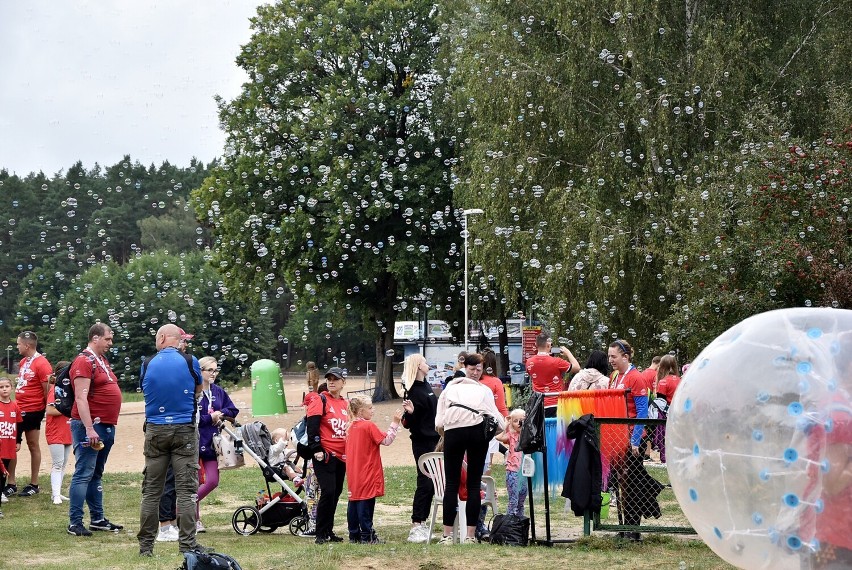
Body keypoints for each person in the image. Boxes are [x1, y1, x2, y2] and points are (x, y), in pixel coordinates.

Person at [137, 324, 203, 556]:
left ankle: (146, 547)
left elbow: (145, 389)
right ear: (175, 339)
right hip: (184, 429)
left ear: (162, 338)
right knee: (186, 491)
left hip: (155, 429)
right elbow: (197, 388)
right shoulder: (189, 361)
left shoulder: (147, 363)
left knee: (151, 491)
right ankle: (188, 545)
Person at [434, 353, 506, 544]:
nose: (475, 373)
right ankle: (470, 536)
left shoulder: (451, 388)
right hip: (476, 432)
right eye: (473, 369)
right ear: (465, 368)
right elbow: (496, 417)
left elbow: (440, 418)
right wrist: (495, 432)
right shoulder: (484, 391)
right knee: (473, 484)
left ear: (482, 370)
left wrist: (445, 432)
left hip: (454, 431)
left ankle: (447, 536)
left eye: (478, 370)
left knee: (452, 483)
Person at [67, 323, 124, 537]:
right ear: (95, 338)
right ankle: (74, 522)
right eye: (108, 339)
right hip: (90, 426)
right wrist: (90, 428)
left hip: (105, 425)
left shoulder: (101, 361)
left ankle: (98, 519)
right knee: (84, 473)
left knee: (96, 474)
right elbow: (81, 397)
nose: (111, 343)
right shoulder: (83, 360)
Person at [607, 339, 655, 541]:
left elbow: (642, 410)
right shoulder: (616, 376)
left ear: (625, 357)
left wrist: (636, 440)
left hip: (633, 440)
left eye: (614, 356)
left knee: (632, 484)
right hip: (618, 438)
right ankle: (623, 526)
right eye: (609, 356)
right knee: (620, 484)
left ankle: (633, 529)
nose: (610, 360)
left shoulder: (636, 377)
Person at [345, 396, 402, 544]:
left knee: (354, 501)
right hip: (367, 471)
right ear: (360, 411)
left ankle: (354, 535)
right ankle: (367, 535)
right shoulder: (368, 426)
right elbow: (387, 440)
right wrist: (395, 423)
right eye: (370, 408)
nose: (373, 410)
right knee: (366, 503)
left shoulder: (350, 426)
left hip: (354, 472)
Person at [157, 327, 194, 542]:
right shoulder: (181, 363)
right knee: (167, 478)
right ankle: (165, 524)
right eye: (182, 340)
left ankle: (172, 523)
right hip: (170, 427)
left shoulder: (186, 361)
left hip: (182, 426)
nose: (185, 344)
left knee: (180, 478)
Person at [399, 353, 440, 543]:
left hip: (435, 440)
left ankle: (423, 522)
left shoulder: (426, 386)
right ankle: (416, 524)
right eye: (424, 361)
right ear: (418, 366)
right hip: (422, 441)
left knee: (434, 483)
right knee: (425, 482)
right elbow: (407, 423)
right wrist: (412, 414)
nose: (427, 363)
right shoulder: (413, 391)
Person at [306, 367, 349, 544]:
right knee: (328, 491)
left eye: (335, 379)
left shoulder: (346, 404)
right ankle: (320, 533)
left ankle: (328, 531)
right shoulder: (320, 399)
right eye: (329, 378)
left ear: (343, 383)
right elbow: (312, 426)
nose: (331, 381)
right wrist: (317, 449)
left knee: (336, 493)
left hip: (342, 456)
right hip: (325, 455)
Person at [7, 330, 53, 498]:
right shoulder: (23, 362)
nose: (17, 346)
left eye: (18, 344)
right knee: (11, 445)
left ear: (27, 345)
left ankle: (34, 483)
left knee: (33, 445)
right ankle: (11, 483)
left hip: (34, 411)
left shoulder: (42, 363)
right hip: (18, 410)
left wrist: (45, 410)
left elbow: (47, 390)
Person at [196, 355, 239, 533]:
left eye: (216, 370)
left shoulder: (218, 391)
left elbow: (233, 410)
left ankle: (180, 508)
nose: (214, 373)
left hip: (213, 444)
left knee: (212, 481)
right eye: (210, 370)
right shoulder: (194, 393)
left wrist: (221, 413)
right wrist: (209, 418)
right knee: (195, 482)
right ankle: (194, 519)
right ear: (201, 371)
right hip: (195, 443)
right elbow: (192, 419)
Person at [525, 333, 580, 417]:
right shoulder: (557, 361)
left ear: (536, 345)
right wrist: (568, 353)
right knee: (554, 429)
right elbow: (577, 368)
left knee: (542, 429)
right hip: (555, 403)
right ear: (548, 345)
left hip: (538, 404)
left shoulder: (529, 362)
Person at [46, 360, 73, 505]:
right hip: (56, 431)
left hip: (67, 430)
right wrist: (68, 409)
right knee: (57, 463)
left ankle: (57, 493)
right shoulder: (55, 389)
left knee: (63, 463)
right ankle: (55, 494)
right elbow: (50, 410)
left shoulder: (69, 389)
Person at [495, 408, 527, 517]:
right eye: (515, 421)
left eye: (521, 420)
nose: (519, 423)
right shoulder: (511, 436)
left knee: (521, 502)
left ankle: (519, 523)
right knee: (513, 500)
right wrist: (506, 424)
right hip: (512, 472)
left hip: (524, 473)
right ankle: (509, 523)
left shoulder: (528, 436)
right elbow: (498, 437)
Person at [652, 355, 680, 464]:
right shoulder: (681, 380)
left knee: (665, 439)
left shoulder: (663, 382)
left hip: (666, 417)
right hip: (679, 415)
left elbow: (660, 403)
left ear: (662, 366)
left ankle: (665, 458)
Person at [0, 376, 21, 518]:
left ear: (12, 388)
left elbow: (18, 424)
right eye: (1, 387)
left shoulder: (15, 406)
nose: (4, 389)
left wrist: (18, 441)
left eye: (6, 386)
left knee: (3, 477)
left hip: (9, 446)